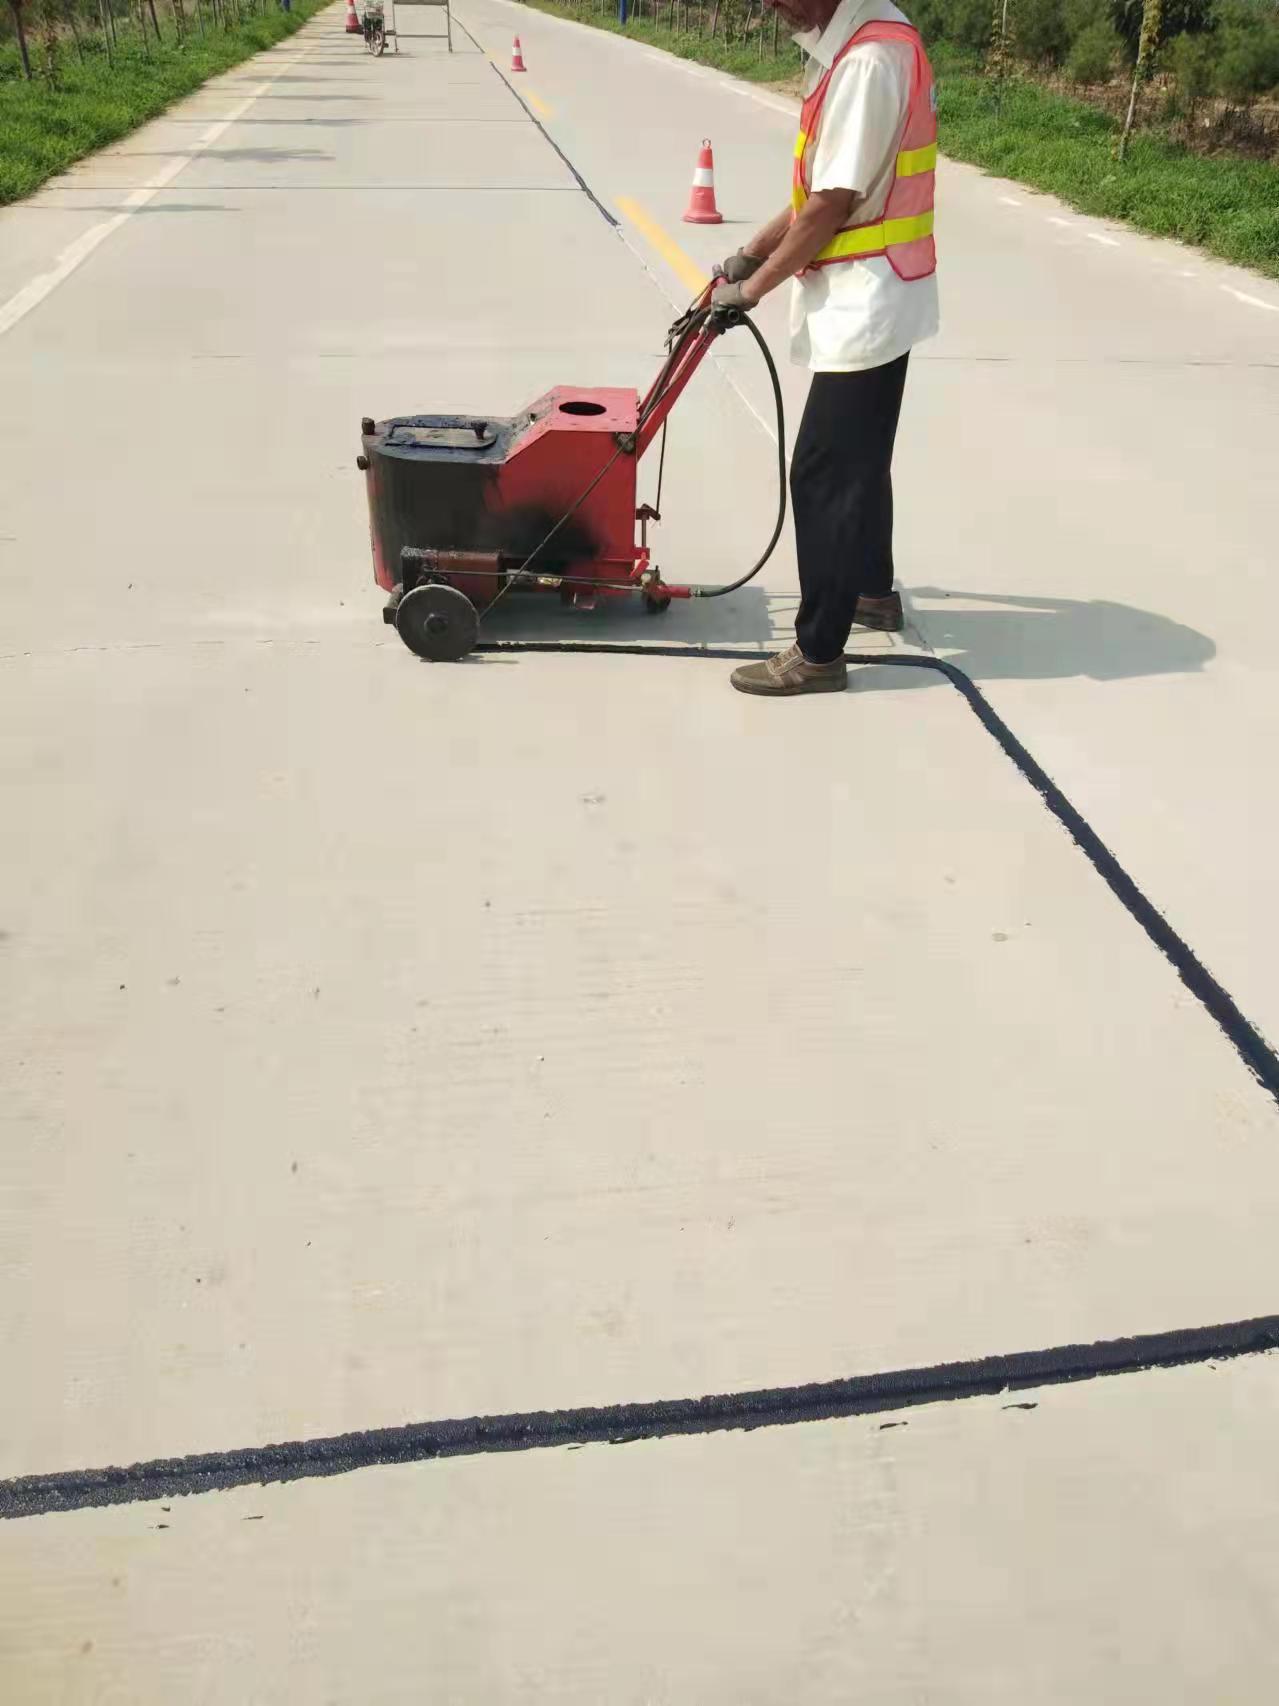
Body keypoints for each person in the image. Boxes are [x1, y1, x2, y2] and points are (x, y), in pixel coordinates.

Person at [711, 0, 939, 697]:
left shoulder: (868, 60)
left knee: (823, 472)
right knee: (859, 460)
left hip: (868, 296)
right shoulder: (864, 38)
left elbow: (831, 204)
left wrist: (751, 291)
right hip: (877, 289)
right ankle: (871, 590)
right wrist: (752, 250)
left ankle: (817, 652)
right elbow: (819, 187)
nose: (770, 5)